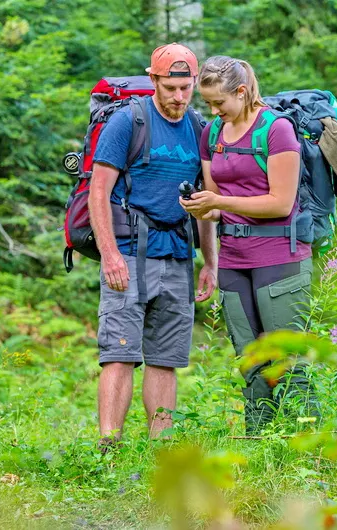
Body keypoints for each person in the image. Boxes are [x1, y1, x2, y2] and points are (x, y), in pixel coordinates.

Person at [181, 55, 319, 435]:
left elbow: (280, 202)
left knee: (287, 359)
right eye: (207, 103)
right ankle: (261, 447)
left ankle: (308, 447)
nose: (213, 110)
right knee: (250, 360)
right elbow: (214, 201)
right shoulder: (212, 134)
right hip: (233, 260)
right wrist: (199, 207)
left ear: (241, 93)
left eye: (219, 103)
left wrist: (219, 203)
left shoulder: (276, 131)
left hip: (280, 257)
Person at [89, 43, 217, 447]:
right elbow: (98, 192)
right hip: (129, 253)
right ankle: (108, 449)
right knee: (119, 352)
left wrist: (208, 262)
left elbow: (203, 202)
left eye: (187, 87)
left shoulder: (198, 127)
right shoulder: (129, 122)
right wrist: (110, 254)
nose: (179, 96)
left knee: (166, 359)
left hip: (179, 255)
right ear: (154, 80)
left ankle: (161, 451)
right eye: (171, 87)